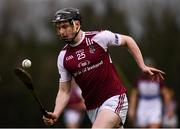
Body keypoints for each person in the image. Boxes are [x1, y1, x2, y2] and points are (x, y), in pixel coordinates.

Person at [42, 8, 165, 128]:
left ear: (77, 24)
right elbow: (64, 91)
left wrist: (142, 66)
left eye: (64, 27)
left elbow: (128, 40)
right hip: (92, 108)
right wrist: (56, 113)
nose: (61, 32)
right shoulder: (63, 57)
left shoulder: (99, 38)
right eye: (58, 28)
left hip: (114, 98)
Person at [128, 58, 170, 128]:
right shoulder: (139, 79)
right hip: (143, 104)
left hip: (155, 104)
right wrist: (132, 109)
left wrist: (169, 109)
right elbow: (134, 95)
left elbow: (166, 94)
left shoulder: (158, 78)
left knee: (154, 126)